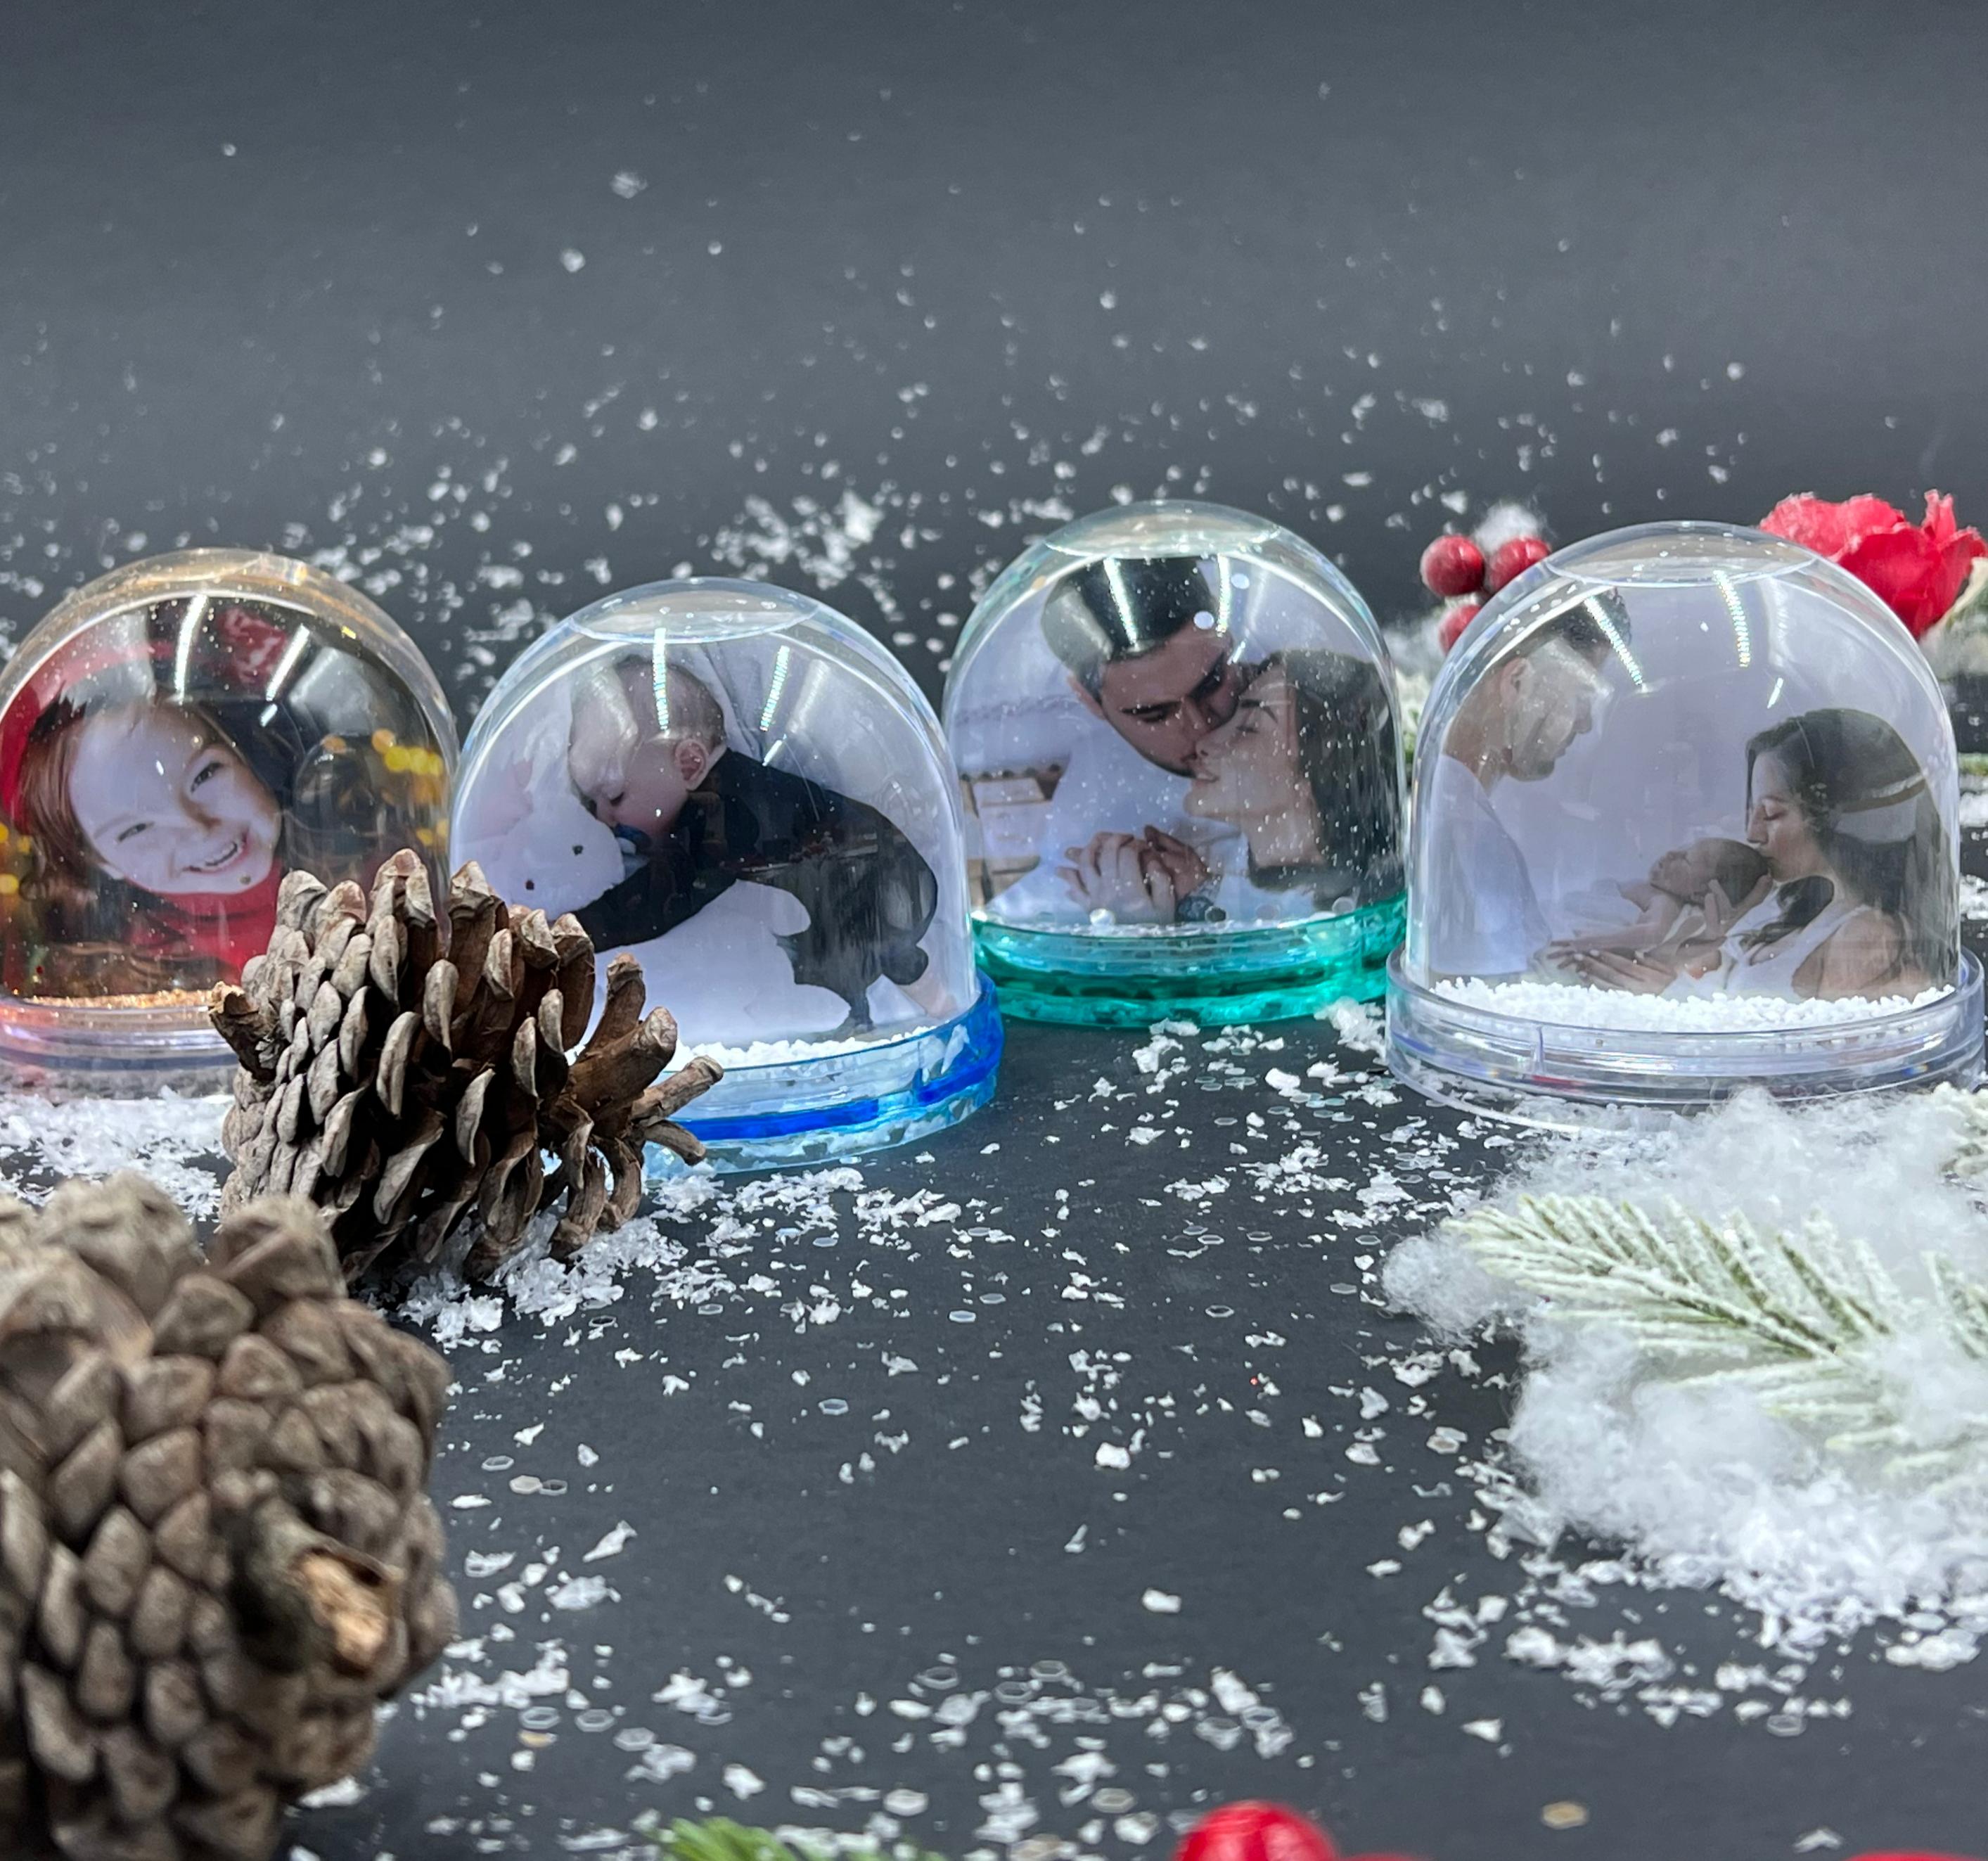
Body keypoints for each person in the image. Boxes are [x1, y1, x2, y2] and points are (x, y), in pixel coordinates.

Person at [565, 653, 941, 1032]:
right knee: (875, 950)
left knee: (822, 968)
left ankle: (852, 1028)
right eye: (591, 803)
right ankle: (932, 996)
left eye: (614, 796)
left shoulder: (725, 811)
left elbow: (661, 898)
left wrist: (575, 931)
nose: (603, 818)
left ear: (690, 764)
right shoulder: (741, 789)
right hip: (897, 881)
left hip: (881, 887)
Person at [1570, 708, 1952, 1002]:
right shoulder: (1806, 914)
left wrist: (1672, 997)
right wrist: (1700, 945)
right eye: (1752, 812)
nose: (1752, 834)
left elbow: (1822, 1064)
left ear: (1835, 818)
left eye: (1771, 814)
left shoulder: (1868, 936)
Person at [985, 554, 1247, 920]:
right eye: (1154, 715)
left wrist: (1201, 902)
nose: (1200, 728)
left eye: (1212, 684)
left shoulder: (1294, 701)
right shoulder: (1092, 793)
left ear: (1227, 641)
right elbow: (1038, 905)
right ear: (1089, 701)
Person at [1057, 649, 1401, 923]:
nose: (1205, 741)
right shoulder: (1232, 878)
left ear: (1322, 767)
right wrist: (1194, 900)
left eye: (1248, 728)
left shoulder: (1342, 913)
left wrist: (1142, 937)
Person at [1418, 599, 1624, 978]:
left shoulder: (1460, 811)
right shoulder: (1469, 834)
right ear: (1516, 682)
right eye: (1580, 697)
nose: (1583, 725)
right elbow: (1493, 994)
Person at [1546, 836, 1769, 966]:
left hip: (1567, 939)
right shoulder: (1656, 892)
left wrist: (1590, 943)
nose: (1671, 853)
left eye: (1686, 859)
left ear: (1701, 893)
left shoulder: (1664, 901)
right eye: (1683, 848)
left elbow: (1653, 933)